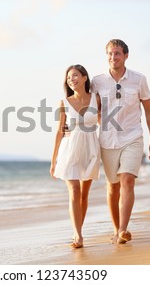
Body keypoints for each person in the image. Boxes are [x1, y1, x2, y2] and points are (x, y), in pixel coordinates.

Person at [91, 39, 150, 244]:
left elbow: (149, 110)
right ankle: (115, 227)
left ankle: (122, 230)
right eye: (110, 54)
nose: (113, 57)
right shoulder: (97, 81)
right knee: (113, 187)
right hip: (108, 141)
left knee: (127, 179)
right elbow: (93, 110)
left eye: (117, 53)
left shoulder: (138, 79)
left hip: (132, 137)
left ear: (126, 56)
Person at [50, 64, 101, 249]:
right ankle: (78, 235)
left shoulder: (96, 99)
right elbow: (59, 132)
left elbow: (104, 123)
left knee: (84, 195)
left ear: (85, 78)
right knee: (74, 191)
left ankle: (79, 228)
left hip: (90, 148)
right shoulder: (64, 102)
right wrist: (53, 160)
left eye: (75, 76)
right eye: (69, 77)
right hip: (69, 149)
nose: (71, 80)